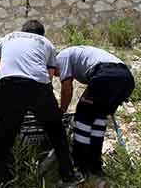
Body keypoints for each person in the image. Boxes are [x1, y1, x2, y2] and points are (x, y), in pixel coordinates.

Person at [0, 20, 83, 187]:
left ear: (23, 30)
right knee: (57, 132)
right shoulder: (46, 43)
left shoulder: (7, 38)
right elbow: (48, 76)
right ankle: (68, 175)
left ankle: (5, 180)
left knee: (4, 136)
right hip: (38, 88)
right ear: (41, 34)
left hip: (8, 86)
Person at [56, 46, 135, 178]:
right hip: (126, 78)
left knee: (83, 115)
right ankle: (95, 165)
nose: (56, 75)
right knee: (98, 117)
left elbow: (67, 87)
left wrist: (61, 112)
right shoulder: (80, 54)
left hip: (107, 74)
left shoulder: (61, 57)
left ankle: (80, 164)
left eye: (54, 72)